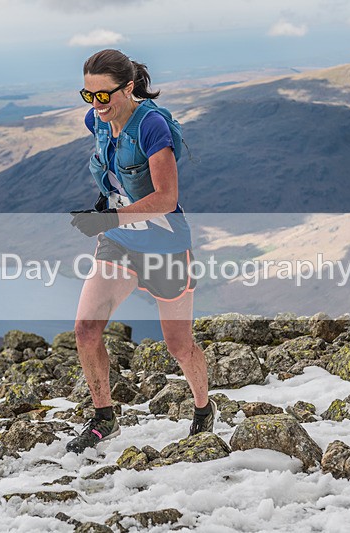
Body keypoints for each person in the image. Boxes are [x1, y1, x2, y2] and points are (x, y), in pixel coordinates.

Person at [67, 49, 215, 454]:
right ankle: (104, 418)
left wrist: (110, 218)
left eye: (103, 95)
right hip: (119, 241)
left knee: (178, 345)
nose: (95, 105)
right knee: (86, 330)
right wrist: (106, 212)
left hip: (165, 245)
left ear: (128, 87)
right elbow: (113, 172)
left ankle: (203, 408)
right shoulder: (96, 122)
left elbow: (167, 198)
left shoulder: (151, 126)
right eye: (88, 95)